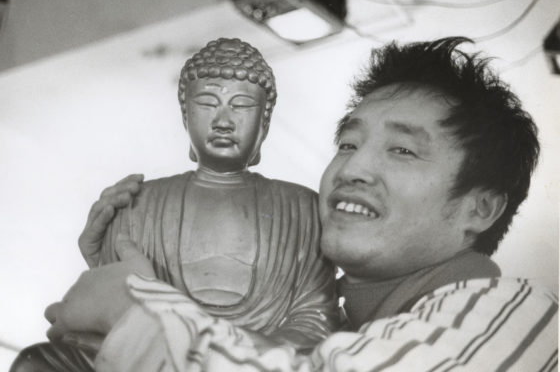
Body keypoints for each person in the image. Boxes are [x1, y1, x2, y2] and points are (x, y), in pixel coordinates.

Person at [44, 37, 558, 371]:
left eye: (402, 150)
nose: (352, 168)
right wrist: (142, 266)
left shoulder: (518, 316)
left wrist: (142, 310)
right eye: (348, 144)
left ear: (479, 209)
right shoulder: (348, 333)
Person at [11, 38, 339, 371]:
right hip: (152, 357)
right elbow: (111, 322)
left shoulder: (302, 209)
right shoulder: (139, 204)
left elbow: (315, 326)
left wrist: (206, 349)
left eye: (240, 105)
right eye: (207, 103)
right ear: (186, 115)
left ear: (264, 122)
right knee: (38, 363)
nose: (223, 120)